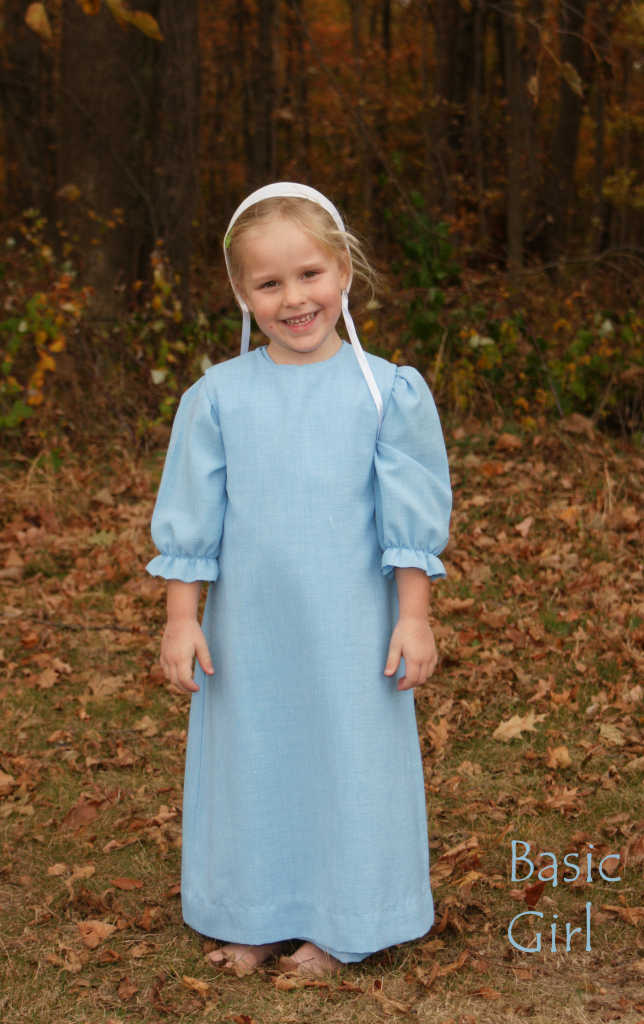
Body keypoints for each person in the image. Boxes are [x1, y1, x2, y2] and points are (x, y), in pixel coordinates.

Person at [147, 183, 452, 976]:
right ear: (241, 291)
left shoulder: (385, 391)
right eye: (269, 283)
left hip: (353, 627)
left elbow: (407, 519)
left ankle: (344, 918)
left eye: (310, 274)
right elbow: (193, 522)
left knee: (349, 762)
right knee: (252, 763)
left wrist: (413, 616)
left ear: (343, 269)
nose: (294, 299)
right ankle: (251, 913)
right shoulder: (218, 398)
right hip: (249, 631)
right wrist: (184, 620)